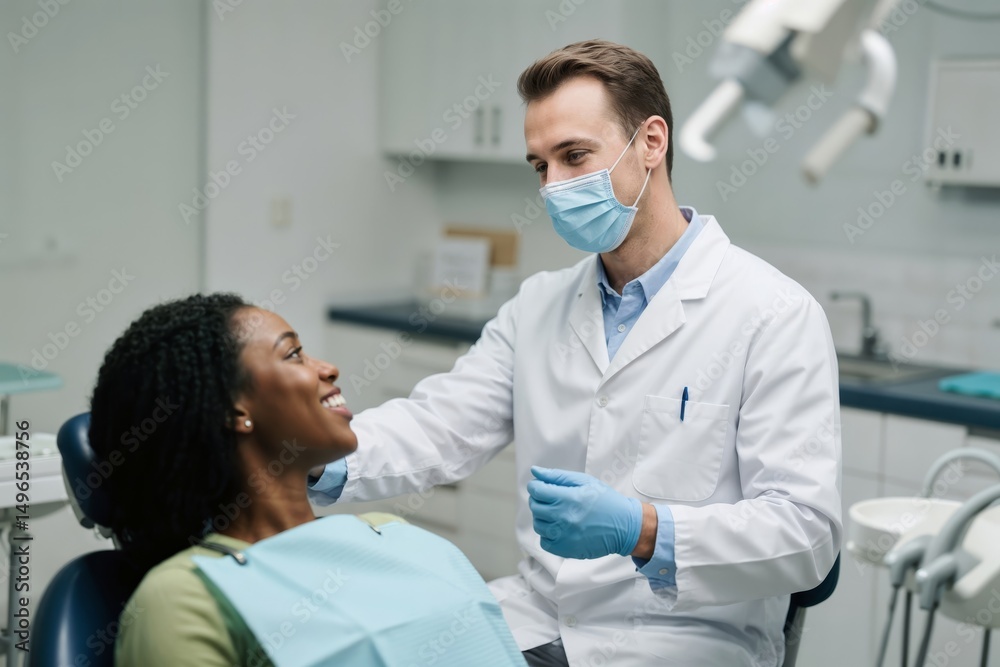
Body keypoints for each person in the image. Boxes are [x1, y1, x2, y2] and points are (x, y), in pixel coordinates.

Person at [308, 40, 842, 666]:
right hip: (537, 616)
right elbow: (438, 426)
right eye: (540, 166)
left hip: (685, 639)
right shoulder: (538, 306)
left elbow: (806, 536)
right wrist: (315, 458)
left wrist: (642, 529)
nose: (554, 186)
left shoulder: (773, 314)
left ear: (651, 142)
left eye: (574, 156)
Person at [89, 293, 526, 667]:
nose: (329, 369)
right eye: (293, 354)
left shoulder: (390, 534)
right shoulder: (185, 597)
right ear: (233, 410)